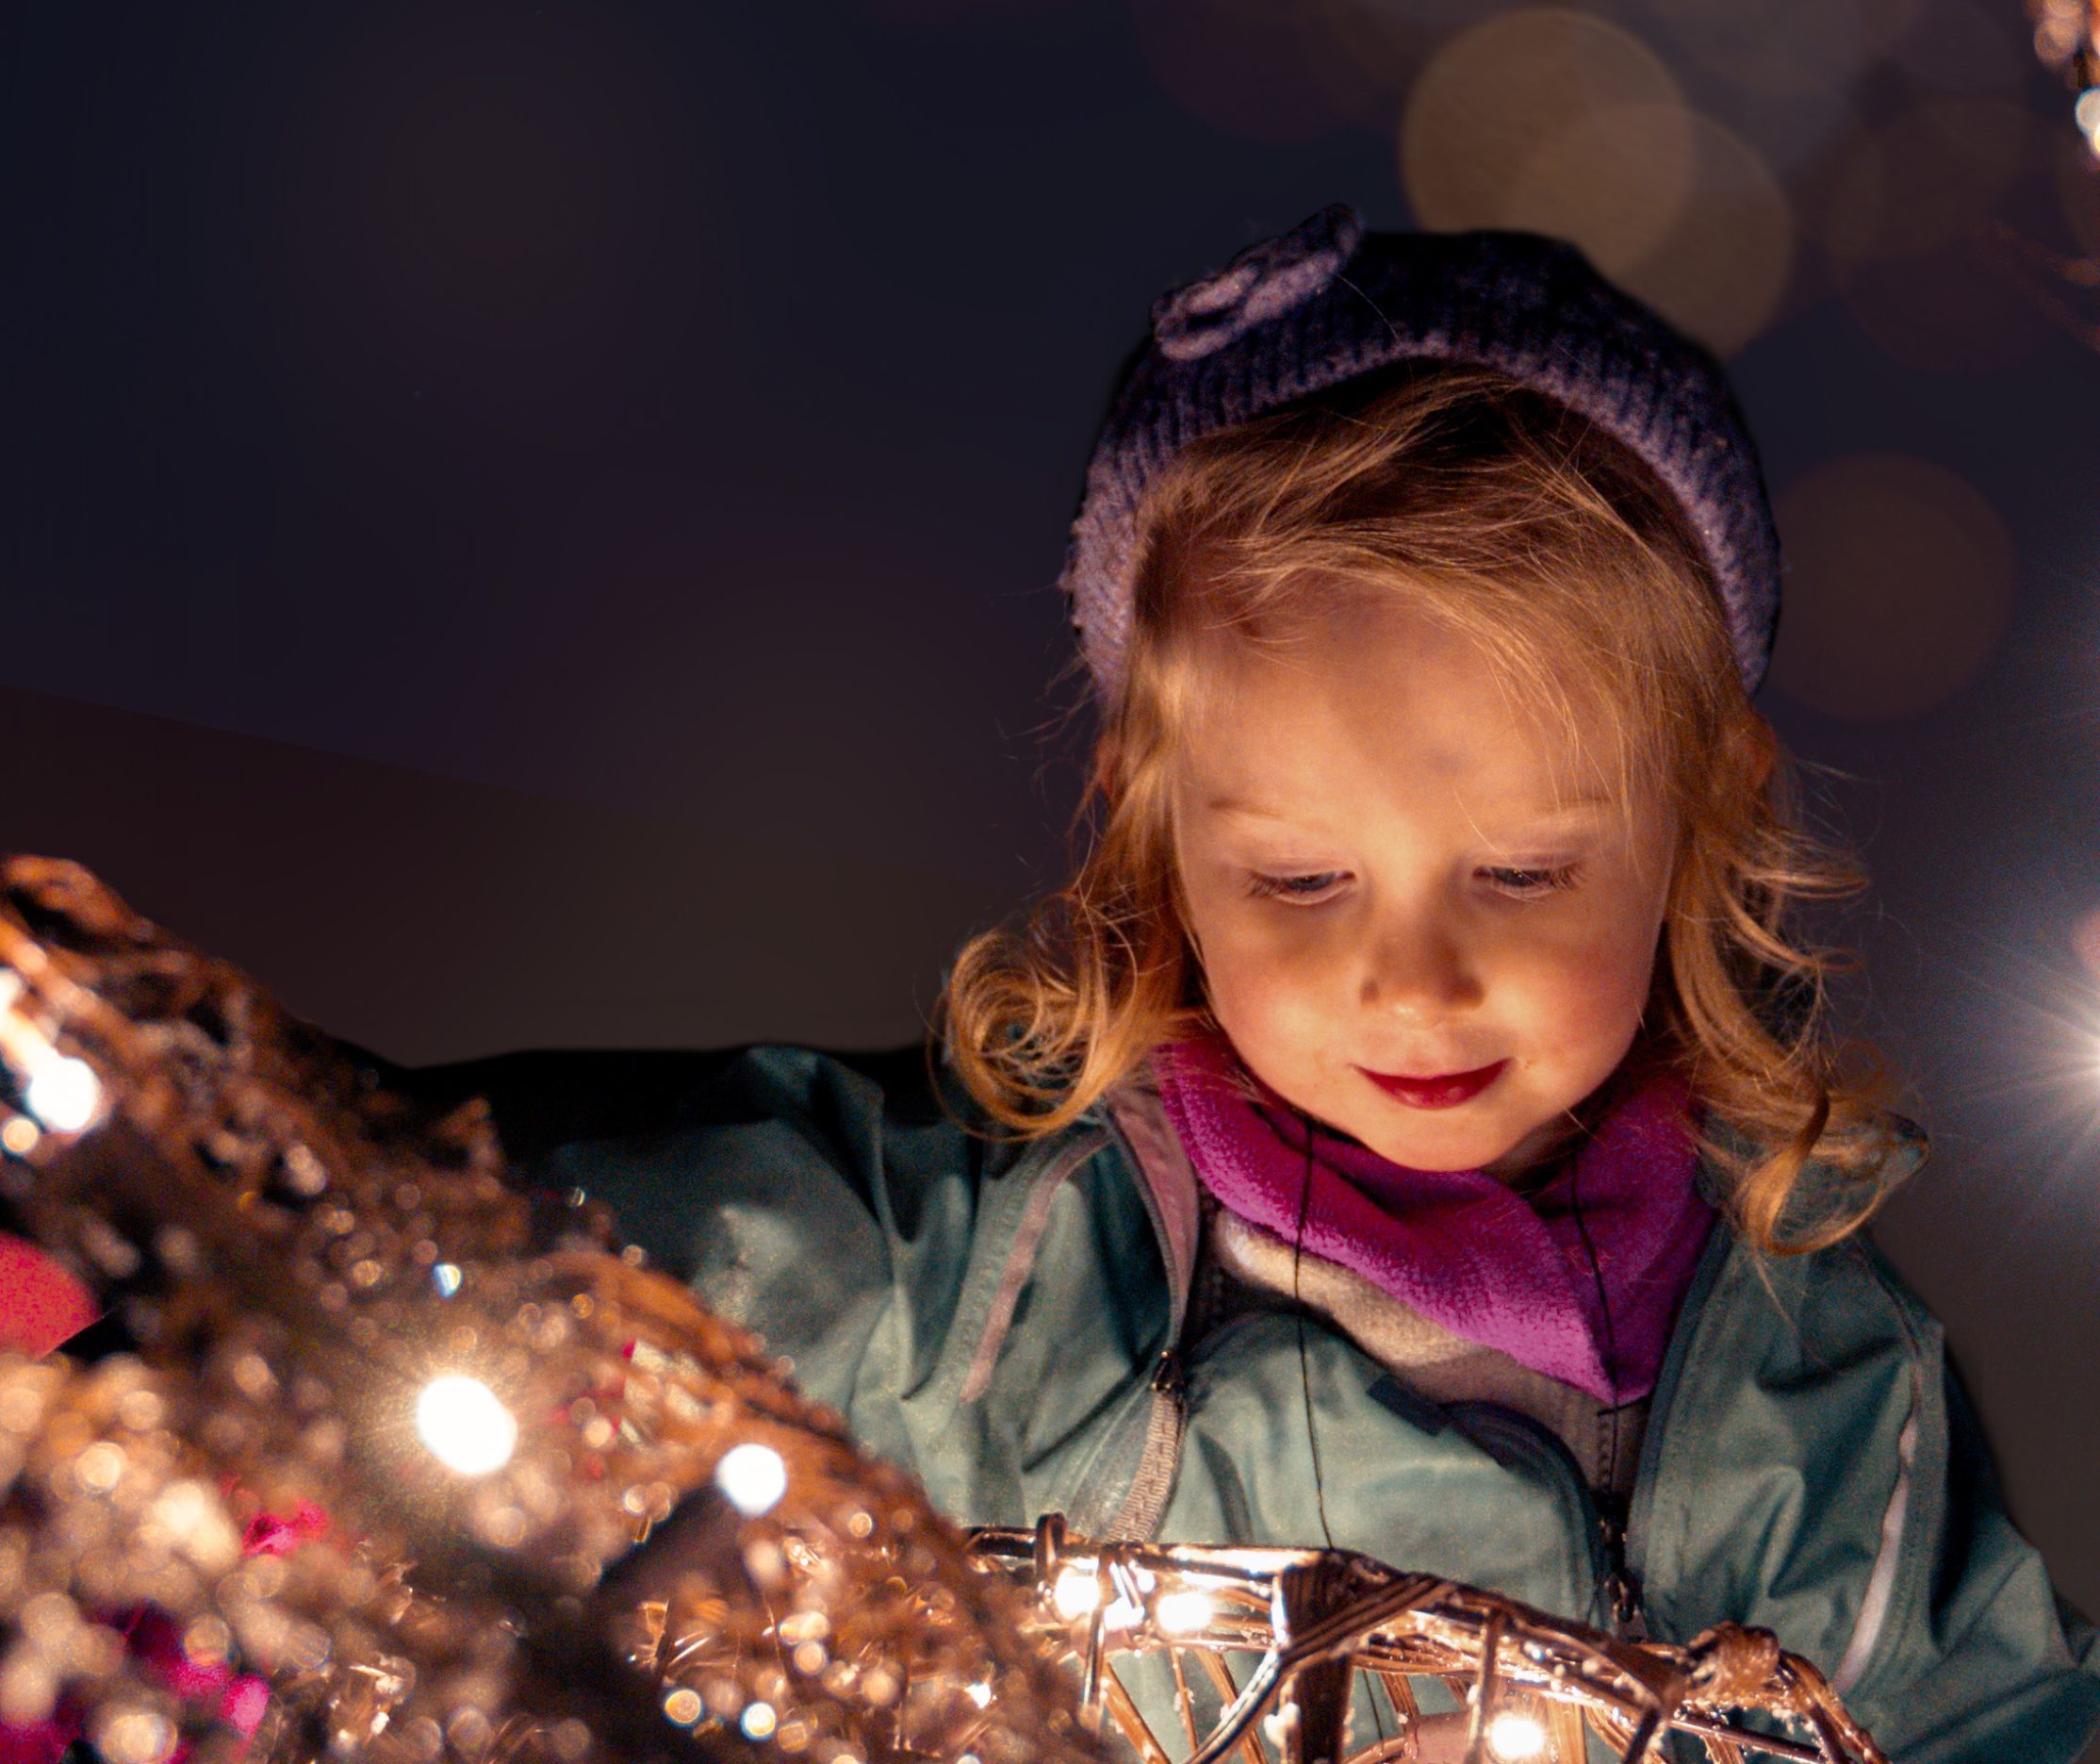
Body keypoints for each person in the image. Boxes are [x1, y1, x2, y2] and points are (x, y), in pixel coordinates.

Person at [24, 207, 2100, 1761]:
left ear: (1700, 808)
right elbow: (498, 1245)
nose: (1412, 967)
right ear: (1157, 836)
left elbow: (1994, 1727)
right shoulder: (997, 1267)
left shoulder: (1805, 1397)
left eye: (1523, 866)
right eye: (1298, 872)